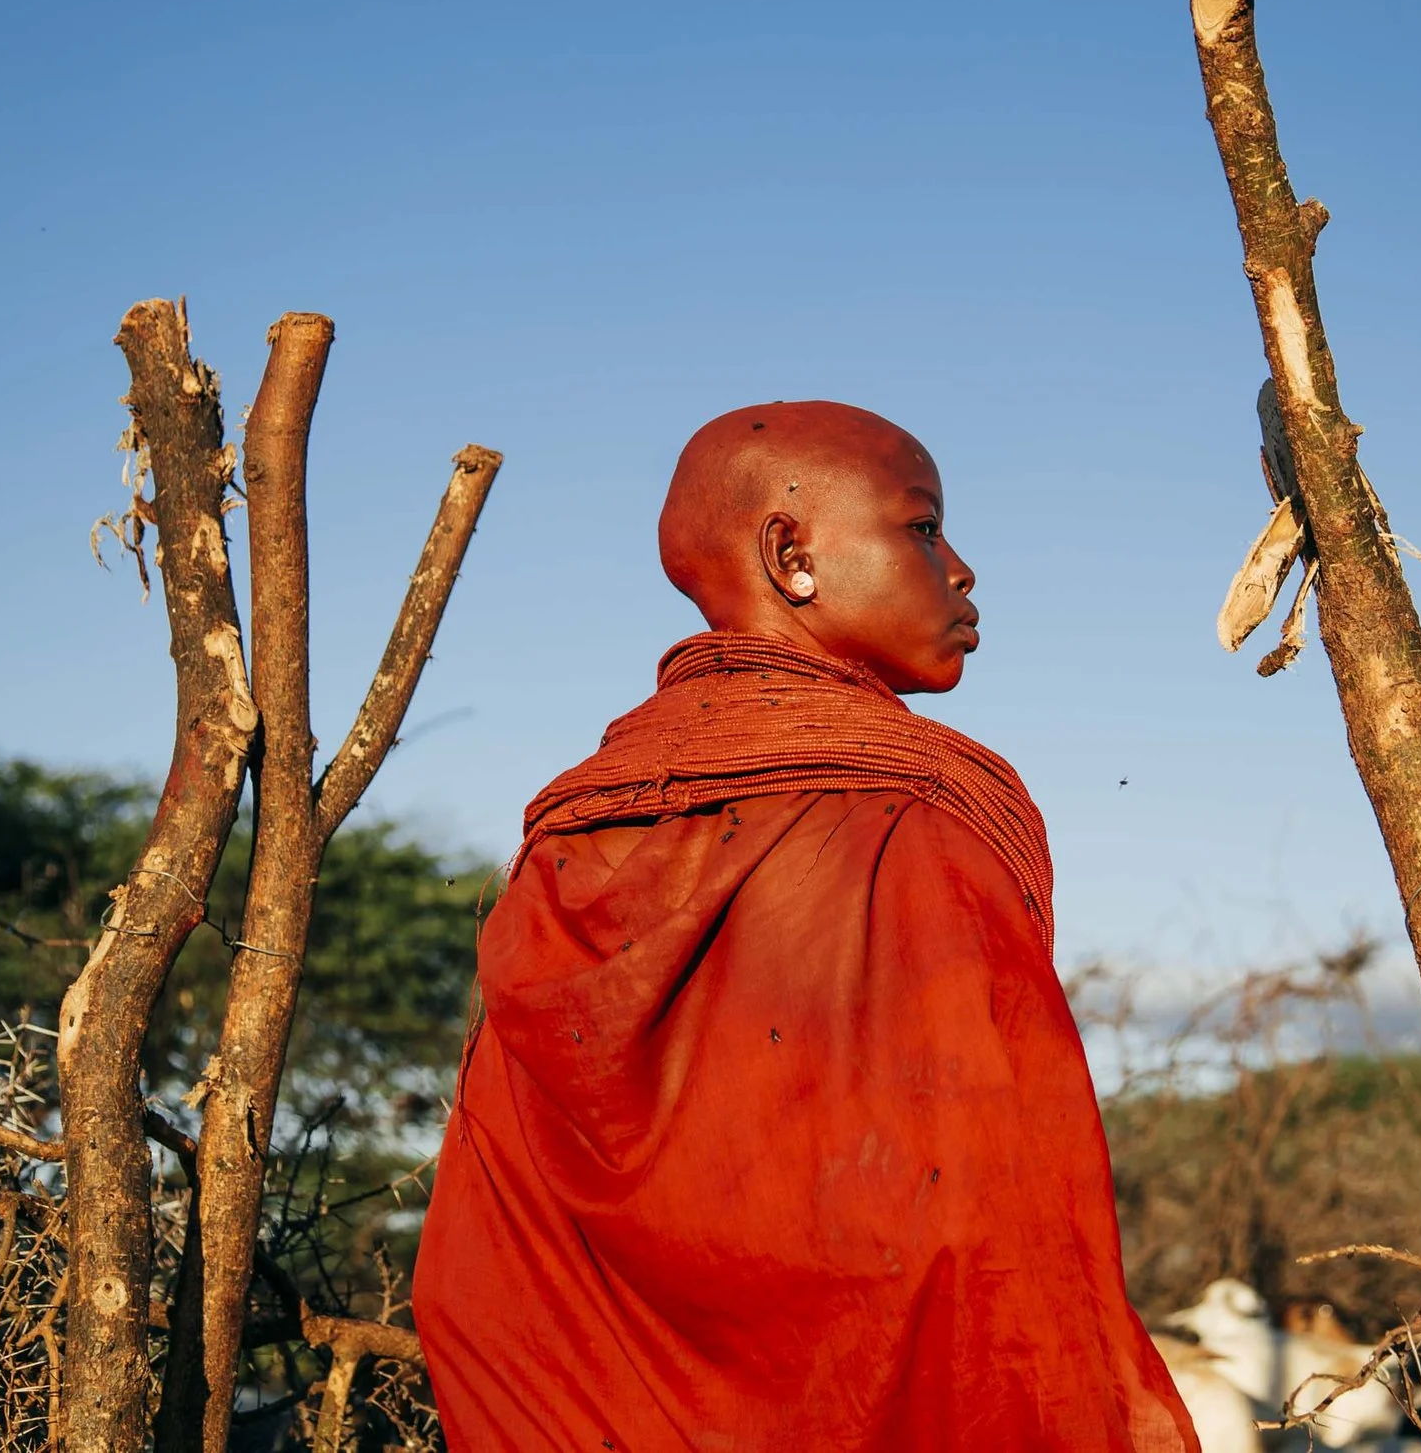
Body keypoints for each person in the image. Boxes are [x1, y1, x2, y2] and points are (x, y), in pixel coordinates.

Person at [412, 401, 1196, 1451]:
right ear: (791, 555)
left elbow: (489, 1252)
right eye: (922, 528)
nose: (962, 568)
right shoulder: (908, 809)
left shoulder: (576, 825)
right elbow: (983, 1217)